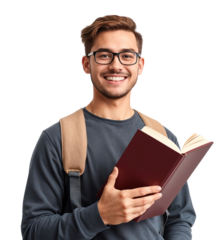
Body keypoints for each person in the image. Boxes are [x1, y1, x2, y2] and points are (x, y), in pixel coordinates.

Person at [20, 13, 197, 240]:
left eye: (126, 56)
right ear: (86, 64)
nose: (116, 65)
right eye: (104, 55)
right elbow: (33, 230)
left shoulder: (162, 134)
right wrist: (100, 214)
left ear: (140, 65)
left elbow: (180, 217)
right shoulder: (57, 138)